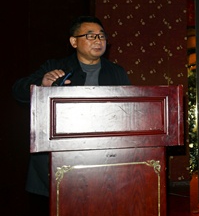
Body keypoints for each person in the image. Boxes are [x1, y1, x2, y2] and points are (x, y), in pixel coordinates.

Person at [12, 15, 130, 196]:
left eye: (101, 36)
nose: (98, 40)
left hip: (102, 155)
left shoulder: (116, 72)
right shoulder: (56, 67)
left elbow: (129, 112)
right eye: (90, 36)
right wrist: (41, 84)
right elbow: (17, 91)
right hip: (61, 156)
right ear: (74, 42)